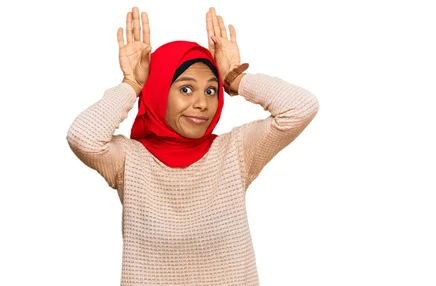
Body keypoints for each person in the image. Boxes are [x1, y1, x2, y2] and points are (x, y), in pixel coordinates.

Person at [66, 6, 319, 285]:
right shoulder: (129, 160)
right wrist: (132, 84)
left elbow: (302, 107)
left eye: (211, 90)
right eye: (186, 89)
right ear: (158, 90)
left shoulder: (236, 151)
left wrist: (236, 79)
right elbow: (83, 137)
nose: (202, 103)